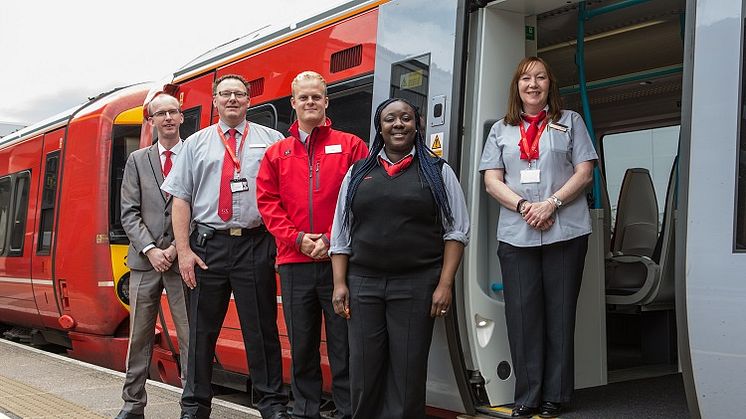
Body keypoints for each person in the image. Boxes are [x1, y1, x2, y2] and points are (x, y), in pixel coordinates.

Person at [329, 98, 469, 419]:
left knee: (407, 374)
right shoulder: (358, 173)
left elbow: (457, 232)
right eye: (390, 119)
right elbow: (341, 234)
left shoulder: (437, 172)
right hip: (364, 285)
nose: (398, 124)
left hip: (416, 284)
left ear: (416, 124)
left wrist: (444, 284)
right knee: (363, 371)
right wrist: (339, 283)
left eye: (405, 118)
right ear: (380, 127)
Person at [161, 74, 289, 419]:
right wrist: (184, 252)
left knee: (261, 330)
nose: (232, 99)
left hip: (255, 243)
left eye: (239, 94)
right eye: (225, 94)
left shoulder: (272, 140)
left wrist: (280, 243)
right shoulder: (196, 143)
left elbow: (284, 195)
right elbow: (181, 200)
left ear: (249, 101)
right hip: (207, 247)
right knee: (202, 332)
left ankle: (272, 404)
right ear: (215, 101)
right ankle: (194, 406)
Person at [478, 56, 597, 418]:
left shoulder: (570, 122)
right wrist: (525, 207)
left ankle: (556, 397)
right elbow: (491, 180)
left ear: (550, 85)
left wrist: (552, 203)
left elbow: (585, 171)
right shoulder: (501, 129)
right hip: (517, 234)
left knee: (559, 316)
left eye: (540, 78)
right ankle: (526, 396)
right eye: (526, 78)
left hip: (566, 231)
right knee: (522, 317)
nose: (533, 84)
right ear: (517, 86)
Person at [256, 71, 368, 419]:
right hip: (293, 263)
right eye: (303, 98)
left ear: (326, 101)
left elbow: (364, 198)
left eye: (316, 97)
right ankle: (305, 411)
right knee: (302, 344)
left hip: (340, 263)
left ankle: (349, 409)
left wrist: (334, 240)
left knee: (344, 343)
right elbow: (267, 203)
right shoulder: (277, 153)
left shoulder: (351, 145)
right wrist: (299, 239)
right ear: (293, 103)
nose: (309, 103)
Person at [116, 92, 190, 419]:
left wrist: (174, 248)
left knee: (189, 337)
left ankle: (192, 405)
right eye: (161, 114)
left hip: (181, 260)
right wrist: (151, 249)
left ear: (182, 117)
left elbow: (200, 207)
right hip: (144, 263)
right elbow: (129, 212)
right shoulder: (136, 160)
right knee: (139, 338)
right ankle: (132, 407)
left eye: (173, 112)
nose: (168, 118)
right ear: (151, 121)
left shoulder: (194, 155)